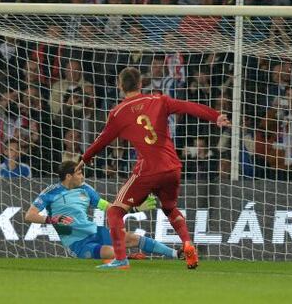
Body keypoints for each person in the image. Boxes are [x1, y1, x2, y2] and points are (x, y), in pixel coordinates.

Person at [76, 67, 231, 270]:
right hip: (173, 167)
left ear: (120, 86)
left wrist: (85, 159)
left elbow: (102, 140)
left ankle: (121, 259)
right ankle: (187, 244)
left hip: (148, 169)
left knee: (114, 212)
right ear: (141, 84)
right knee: (169, 208)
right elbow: (188, 106)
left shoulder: (118, 113)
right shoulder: (159, 100)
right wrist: (215, 116)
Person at [25, 161, 182, 262]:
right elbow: (29, 215)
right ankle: (128, 258)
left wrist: (134, 208)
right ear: (68, 176)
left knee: (133, 238)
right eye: (79, 173)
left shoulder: (86, 189)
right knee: (113, 252)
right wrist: (52, 220)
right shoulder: (50, 192)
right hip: (76, 243)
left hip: (95, 232)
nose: (82, 176)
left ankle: (176, 254)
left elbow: (109, 208)